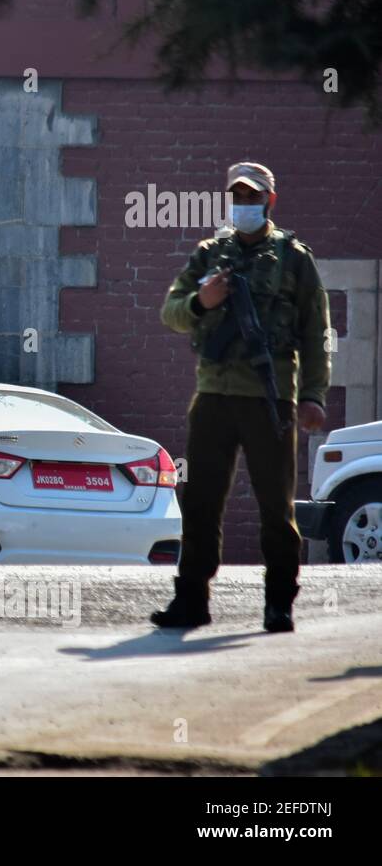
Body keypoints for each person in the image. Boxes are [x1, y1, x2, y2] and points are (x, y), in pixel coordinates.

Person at [153, 162, 329, 633]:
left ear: (270, 201)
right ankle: (191, 600)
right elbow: (171, 311)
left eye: (252, 198)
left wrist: (312, 396)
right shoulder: (210, 253)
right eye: (237, 197)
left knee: (276, 503)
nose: (243, 206)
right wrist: (200, 303)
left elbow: (315, 332)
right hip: (212, 397)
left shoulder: (294, 259)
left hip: (268, 399)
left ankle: (279, 602)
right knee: (202, 502)